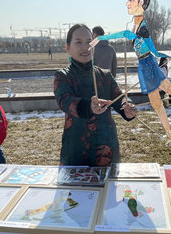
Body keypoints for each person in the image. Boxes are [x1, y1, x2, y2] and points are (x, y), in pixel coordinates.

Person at [90, 0, 171, 145]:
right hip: (144, 66)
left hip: (148, 65)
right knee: (160, 98)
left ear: (141, 2)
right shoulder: (135, 28)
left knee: (165, 93)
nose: (127, 3)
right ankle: (170, 133)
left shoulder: (142, 28)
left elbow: (150, 48)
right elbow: (122, 34)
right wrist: (100, 38)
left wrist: (161, 57)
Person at [54, 24, 137, 166]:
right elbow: (65, 101)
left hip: (107, 147)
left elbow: (119, 97)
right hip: (77, 149)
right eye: (78, 42)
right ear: (67, 47)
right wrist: (89, 106)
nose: (85, 46)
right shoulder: (63, 76)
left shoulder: (105, 75)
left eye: (89, 41)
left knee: (108, 186)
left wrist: (127, 107)